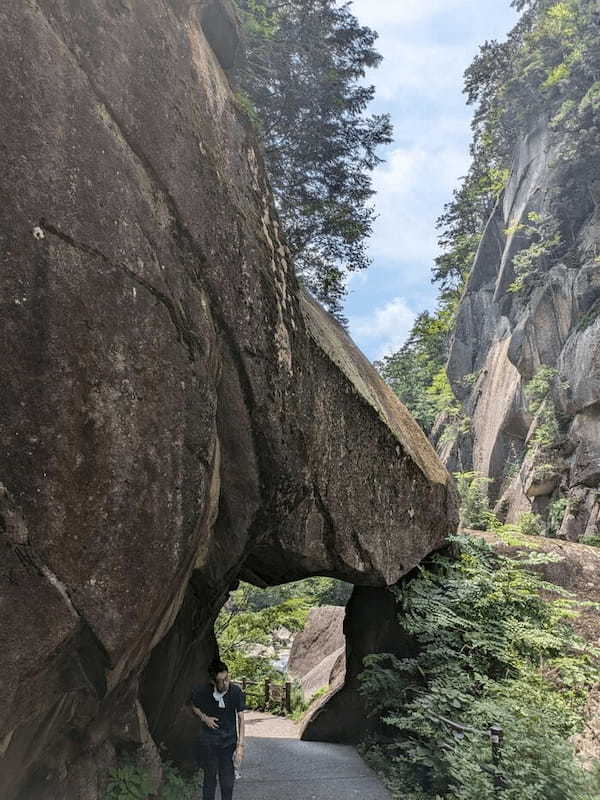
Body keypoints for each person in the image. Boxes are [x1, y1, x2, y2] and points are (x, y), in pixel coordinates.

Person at [191, 659, 246, 800]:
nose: (225, 683)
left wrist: (240, 746)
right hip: (209, 741)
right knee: (210, 778)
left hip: (228, 742)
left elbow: (241, 718)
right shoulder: (203, 691)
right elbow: (193, 705)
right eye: (221, 681)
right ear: (212, 681)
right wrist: (205, 718)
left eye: (227, 678)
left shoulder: (235, 692)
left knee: (227, 781)